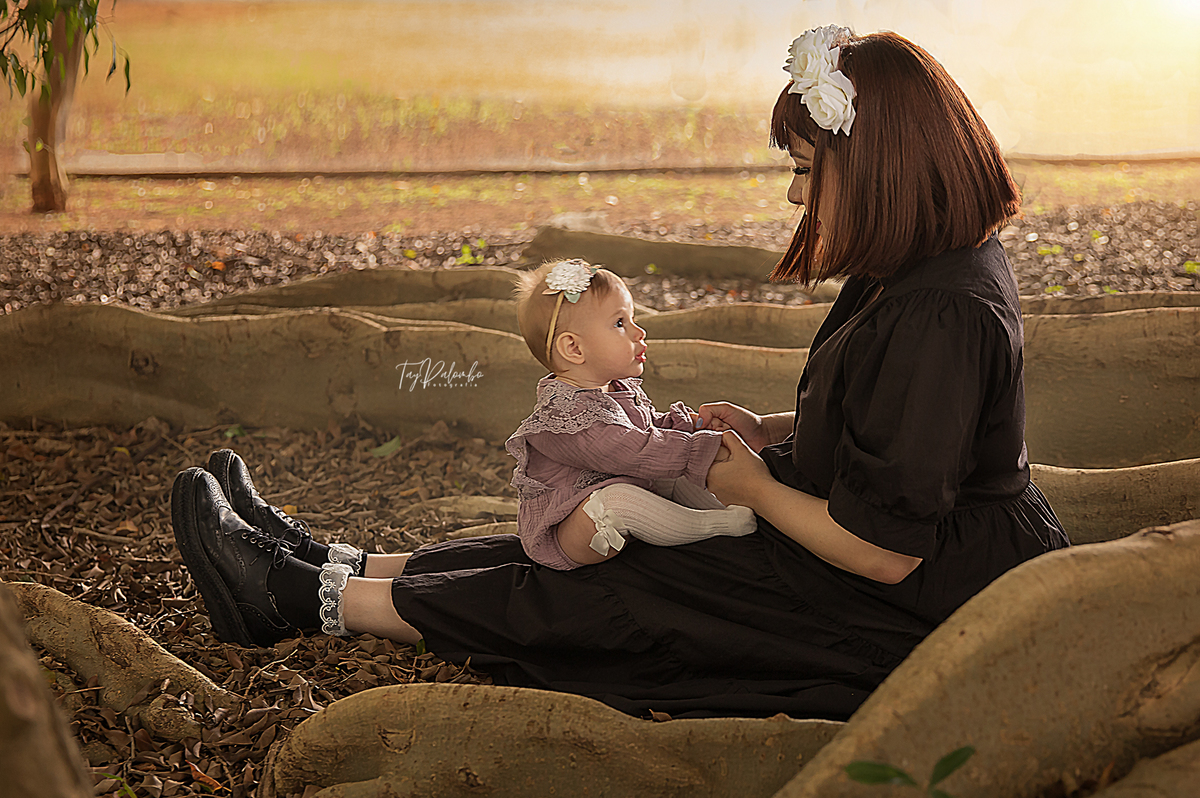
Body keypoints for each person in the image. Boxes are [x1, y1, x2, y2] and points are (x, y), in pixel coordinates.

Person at [170, 25, 1068, 720]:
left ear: (876, 168)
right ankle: (333, 561)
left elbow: (887, 547)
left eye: (805, 170)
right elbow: (905, 431)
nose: (797, 194)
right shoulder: (916, 266)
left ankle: (290, 598)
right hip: (857, 543)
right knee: (565, 532)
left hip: (910, 607)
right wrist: (773, 433)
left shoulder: (944, 310)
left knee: (611, 584)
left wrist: (751, 487)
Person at [507, 259, 755, 570]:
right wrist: (700, 448)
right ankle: (711, 527)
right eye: (620, 323)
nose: (639, 331)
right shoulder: (562, 418)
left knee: (675, 476)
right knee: (618, 501)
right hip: (572, 531)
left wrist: (691, 427)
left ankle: (740, 510)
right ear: (574, 348)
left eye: (632, 318)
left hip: (627, 482)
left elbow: (646, 428)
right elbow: (634, 449)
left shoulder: (613, 387)